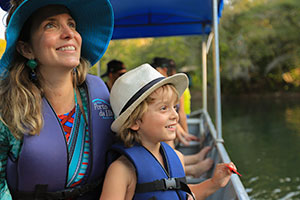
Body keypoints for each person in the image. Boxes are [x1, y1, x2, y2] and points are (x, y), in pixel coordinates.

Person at [0, 0, 114, 199]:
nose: (69, 33)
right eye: (50, 25)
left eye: (71, 24)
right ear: (26, 49)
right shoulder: (6, 110)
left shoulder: (101, 96)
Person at [100, 64, 236, 200]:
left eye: (174, 107)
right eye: (164, 108)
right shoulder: (121, 171)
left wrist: (214, 183)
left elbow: (184, 195)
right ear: (135, 122)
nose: (175, 115)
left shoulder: (177, 157)